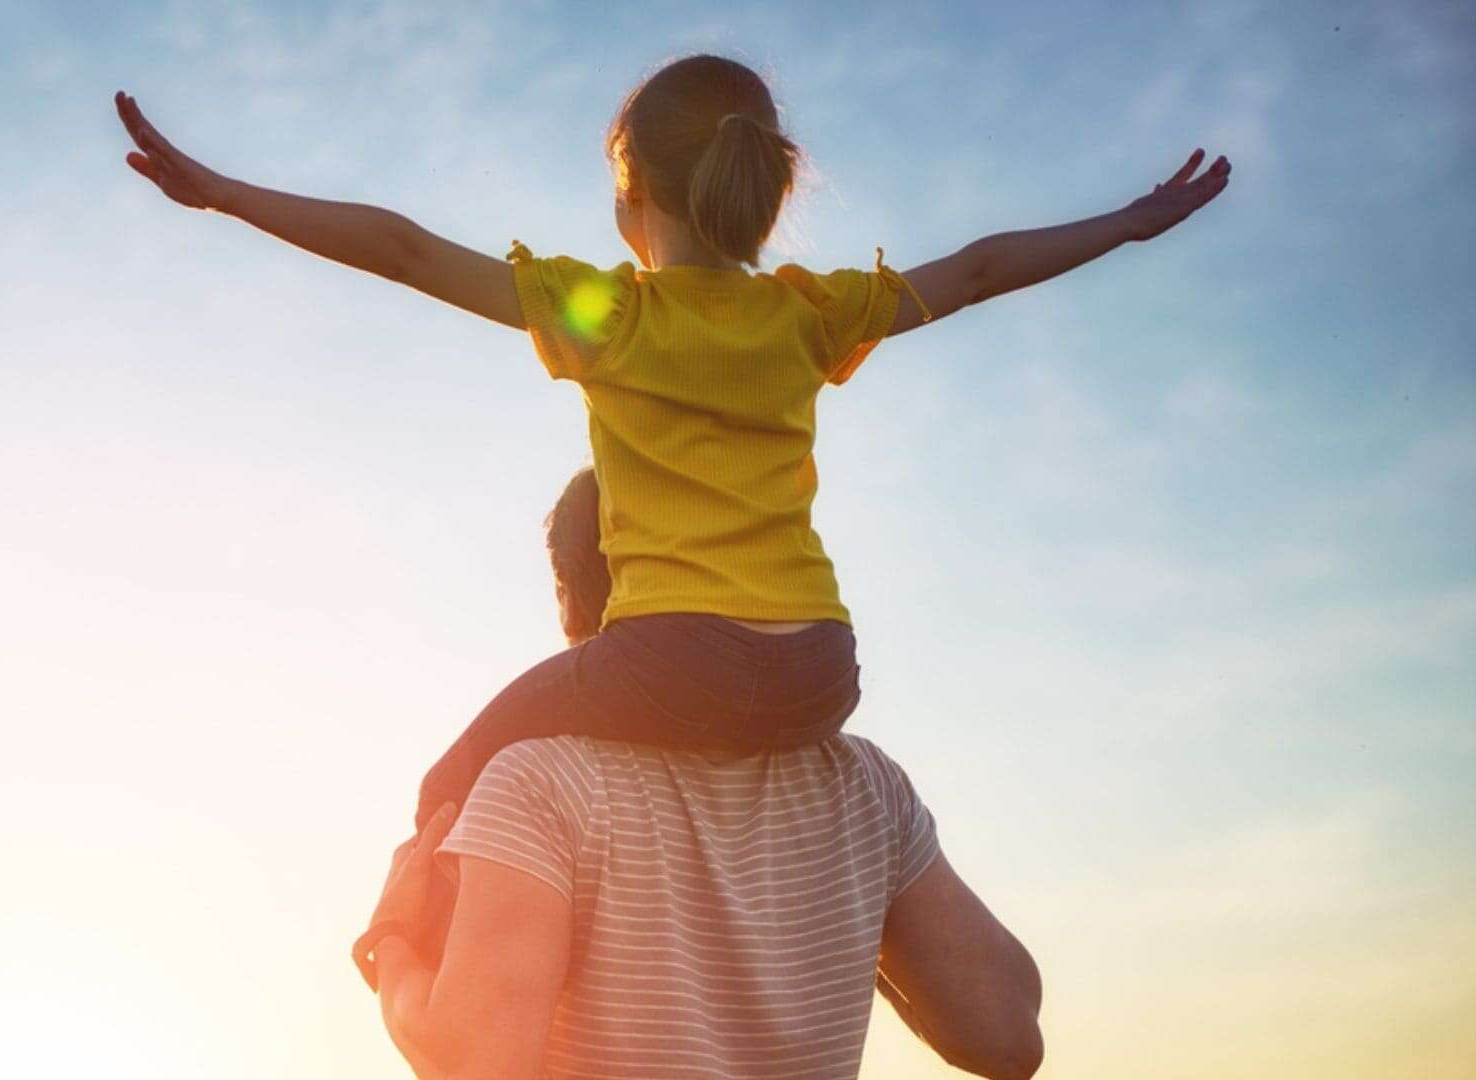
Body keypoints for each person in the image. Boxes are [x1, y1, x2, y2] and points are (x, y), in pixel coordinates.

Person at [113, 54, 1232, 832]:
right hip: (819, 671)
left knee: (451, 784)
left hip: (672, 659)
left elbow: (404, 251)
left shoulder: (611, 315)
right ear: (760, 187)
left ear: (629, 194)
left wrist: (225, 194)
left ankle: (419, 971)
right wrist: (1128, 224)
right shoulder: (810, 315)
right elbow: (981, 268)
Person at [357, 468, 1044, 1079]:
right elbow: (1008, 1036)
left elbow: (474, 1068)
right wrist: (866, 913)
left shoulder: (541, 785)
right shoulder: (864, 787)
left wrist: (388, 944)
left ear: (570, 597)